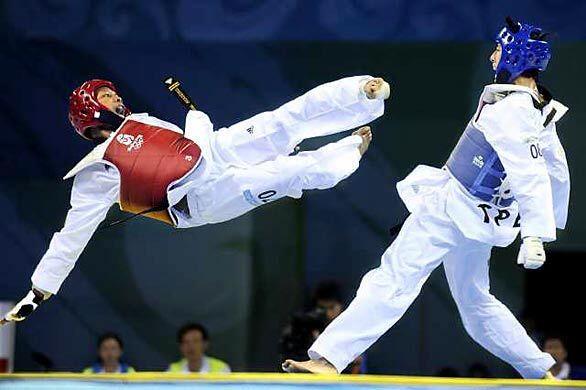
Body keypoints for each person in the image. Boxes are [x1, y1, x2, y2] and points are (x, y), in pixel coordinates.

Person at [283, 17, 569, 380]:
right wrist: (539, 229)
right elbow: (557, 171)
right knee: (475, 301)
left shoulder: (513, 112)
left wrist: (535, 235)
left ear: (516, 56)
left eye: (499, 49)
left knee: (396, 276)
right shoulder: (535, 106)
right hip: (471, 214)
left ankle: (328, 358)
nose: (493, 56)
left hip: (452, 210)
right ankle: (538, 370)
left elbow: (533, 173)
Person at [1, 75, 389, 324]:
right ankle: (348, 152)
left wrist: (199, 124)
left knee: (282, 121)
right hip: (199, 201)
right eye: (108, 96)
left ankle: (358, 93)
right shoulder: (96, 173)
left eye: (114, 93)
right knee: (281, 175)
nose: (118, 98)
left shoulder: (145, 122)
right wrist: (38, 291)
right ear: (92, 109)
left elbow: (194, 150)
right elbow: (71, 236)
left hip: (216, 151)